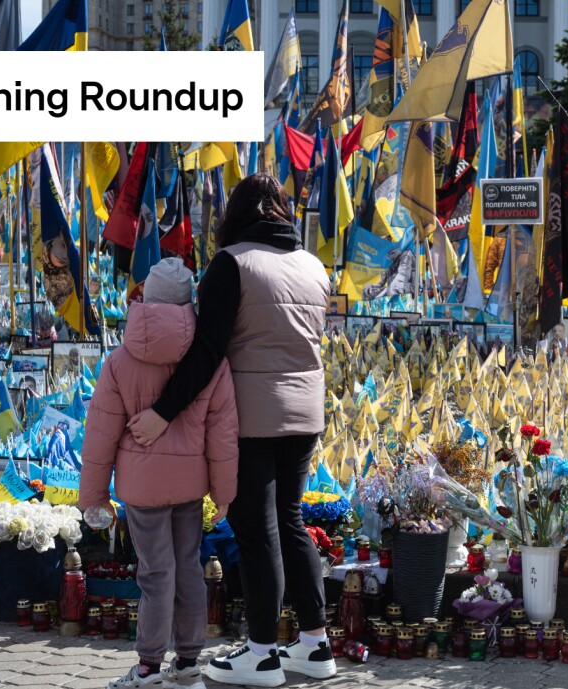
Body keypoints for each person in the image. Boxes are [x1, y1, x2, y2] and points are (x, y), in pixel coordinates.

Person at [127, 174, 335, 687]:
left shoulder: (232, 264)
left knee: (257, 530)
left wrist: (163, 412)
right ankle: (315, 643)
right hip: (306, 413)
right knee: (289, 522)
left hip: (251, 416)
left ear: (235, 215)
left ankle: (262, 654)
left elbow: (207, 350)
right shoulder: (312, 265)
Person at [81, 257, 239, 689]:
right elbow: (223, 435)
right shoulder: (210, 362)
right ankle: (188, 659)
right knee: (188, 567)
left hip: (142, 488)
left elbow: (100, 435)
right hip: (189, 485)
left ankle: (149, 665)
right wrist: (224, 492)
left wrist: (93, 496)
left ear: (146, 299)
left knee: (154, 572)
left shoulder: (119, 361)